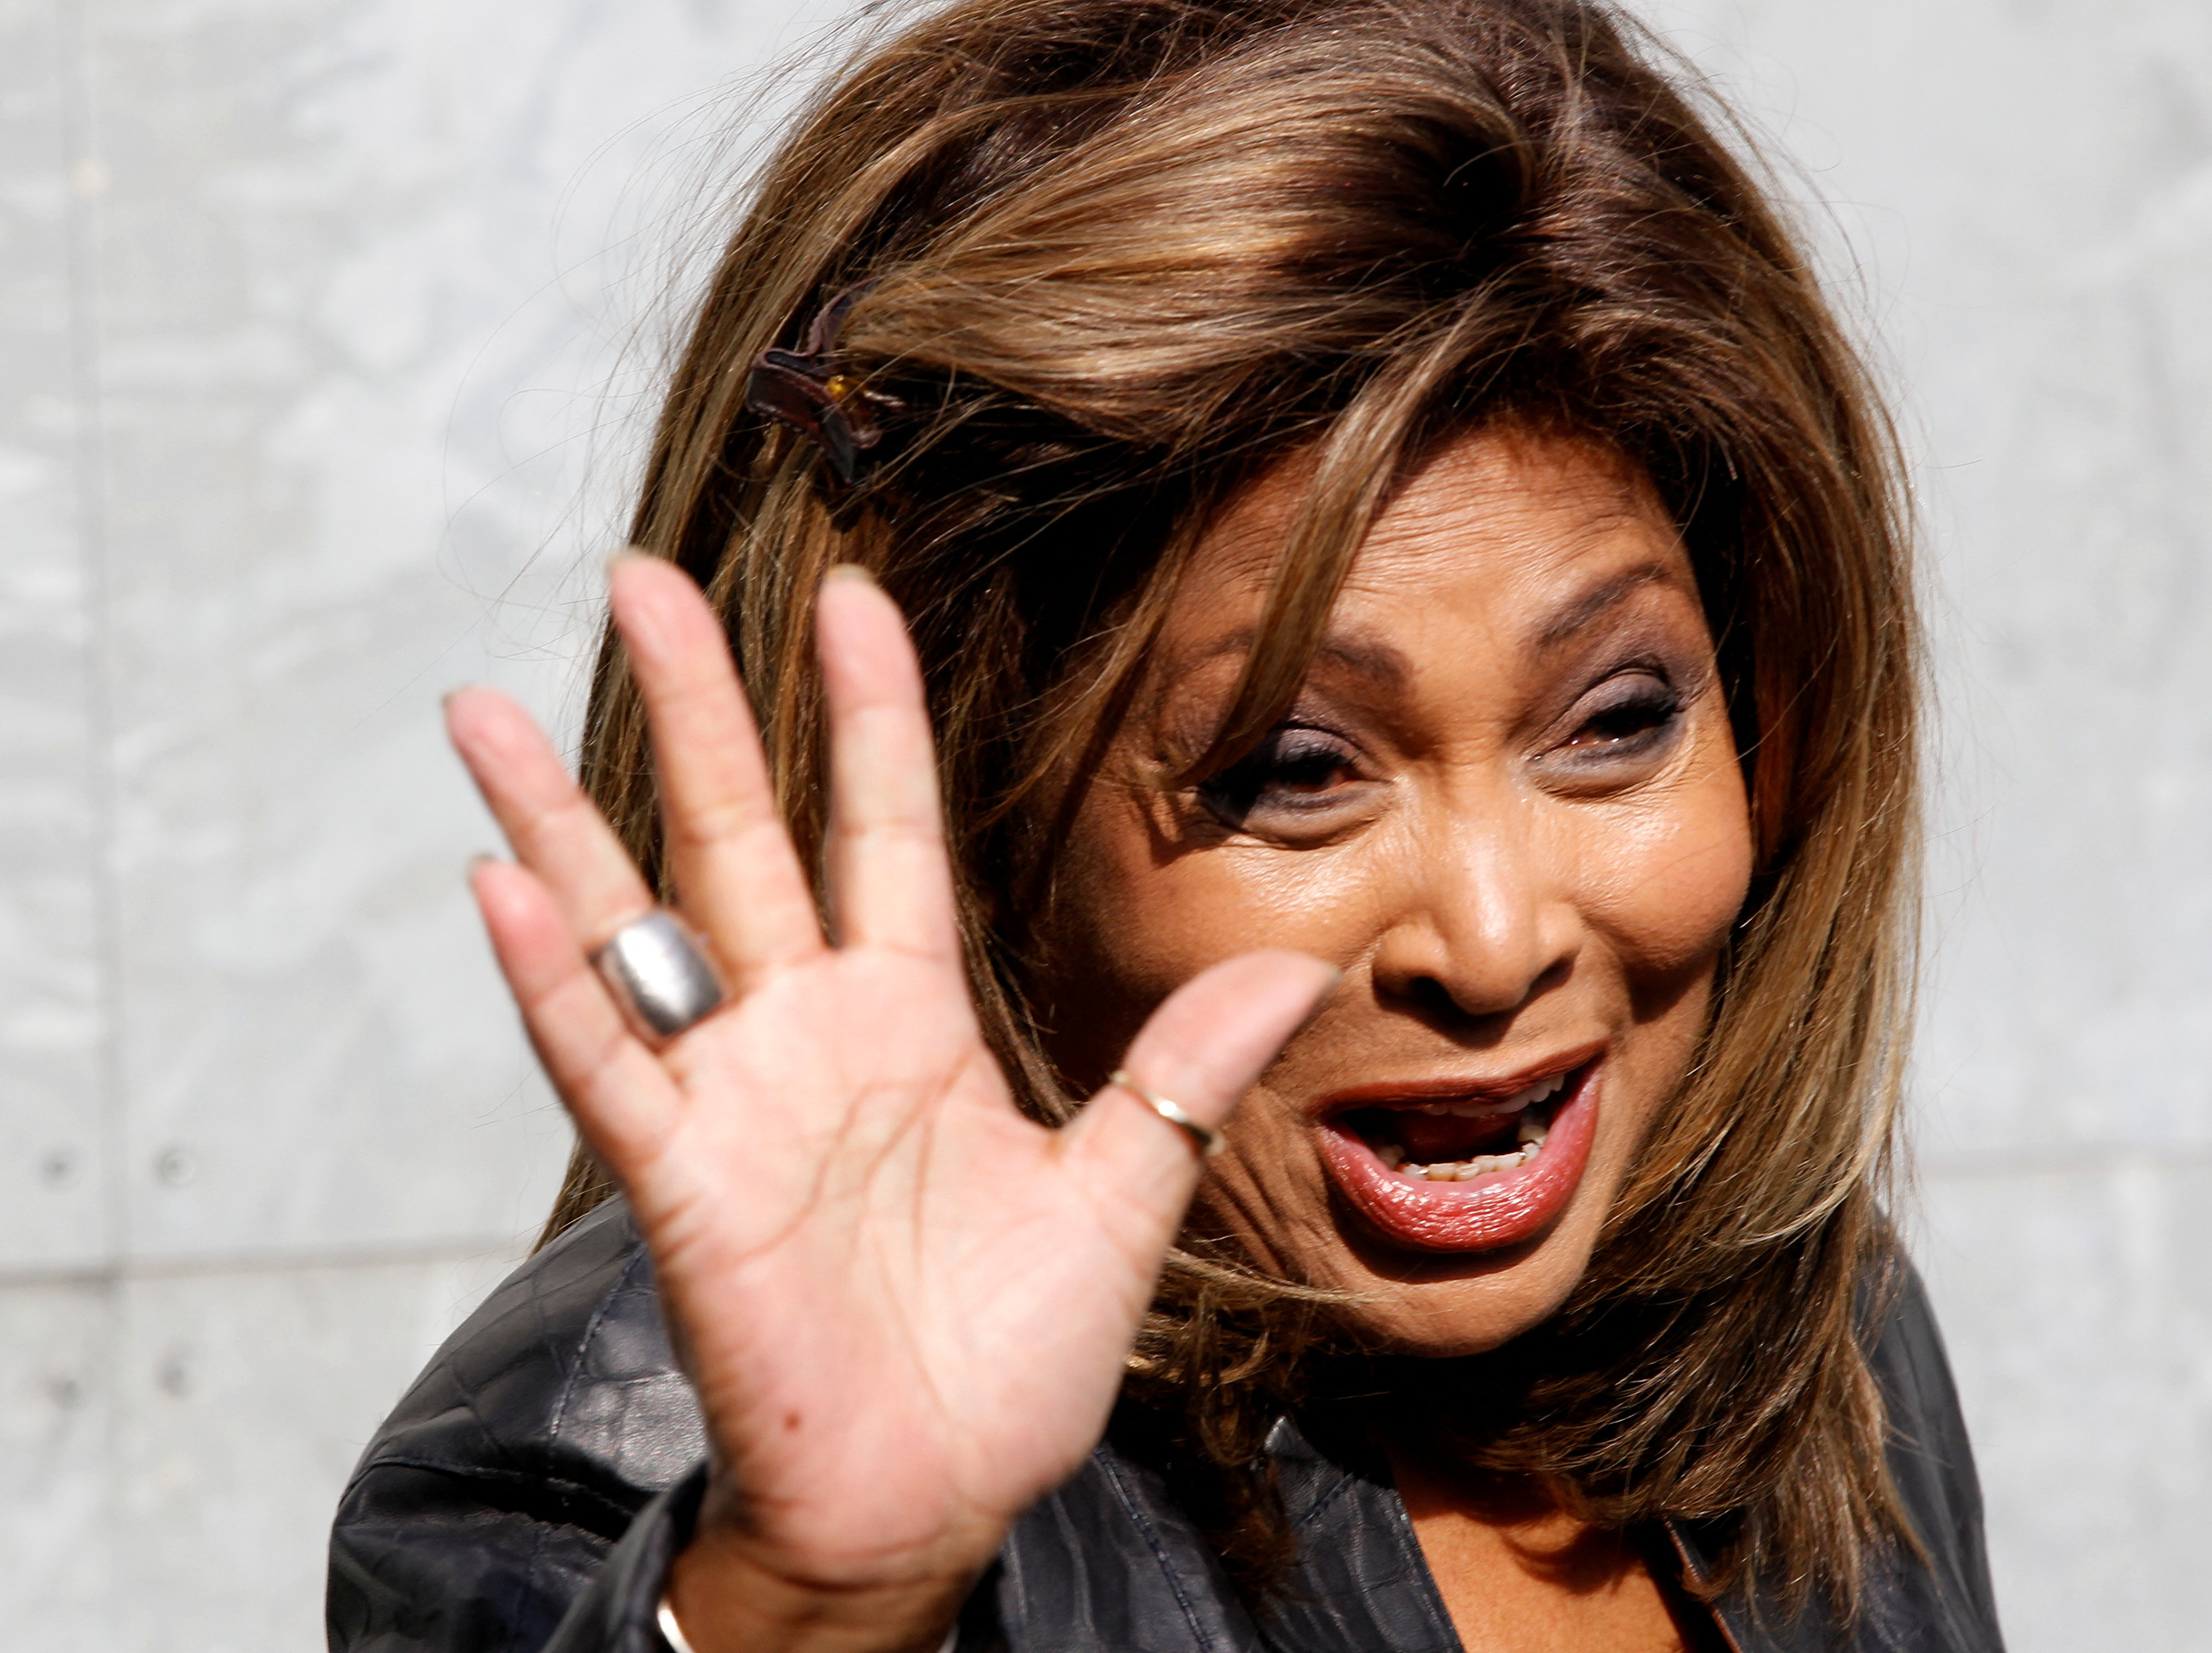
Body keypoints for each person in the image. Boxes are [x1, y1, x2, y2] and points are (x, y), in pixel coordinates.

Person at [326, 0, 2004, 1648]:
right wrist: (818, 1603)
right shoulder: (626, 1459)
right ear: (968, 802)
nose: (1494, 944)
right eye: (1296, 770)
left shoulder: (1810, 1330)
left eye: (1615, 724)